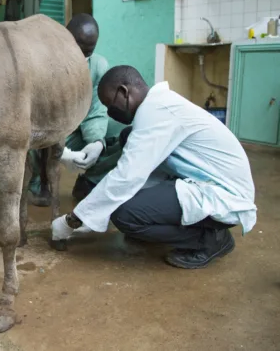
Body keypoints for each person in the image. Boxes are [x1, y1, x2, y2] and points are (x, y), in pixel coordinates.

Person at [52, 65, 257, 269]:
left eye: (109, 104)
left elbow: (126, 177)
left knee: (124, 214)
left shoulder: (156, 113)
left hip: (225, 195)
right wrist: (96, 209)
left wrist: (73, 220)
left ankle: (210, 240)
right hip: (208, 179)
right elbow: (137, 166)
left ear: (124, 92)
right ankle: (166, 225)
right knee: (127, 139)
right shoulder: (158, 106)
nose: (109, 112)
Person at [28, 13, 115, 206]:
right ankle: (36, 181)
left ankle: (88, 181)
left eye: (88, 52)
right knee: (28, 142)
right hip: (42, 133)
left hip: (73, 131)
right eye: (78, 50)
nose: (82, 57)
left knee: (117, 135)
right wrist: (59, 148)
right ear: (65, 40)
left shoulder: (98, 66)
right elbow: (33, 119)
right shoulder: (43, 64)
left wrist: (96, 143)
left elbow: (96, 112)